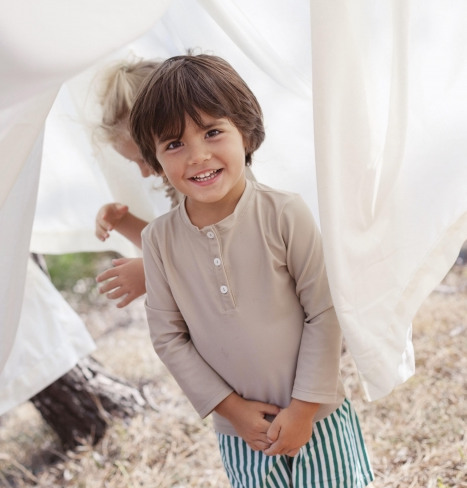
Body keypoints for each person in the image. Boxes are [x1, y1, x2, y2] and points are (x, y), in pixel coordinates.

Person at [129, 54, 374, 487]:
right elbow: (169, 338)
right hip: (241, 433)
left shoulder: (284, 213)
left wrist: (303, 408)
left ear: (246, 132)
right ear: (153, 160)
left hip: (319, 416)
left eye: (212, 132)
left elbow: (324, 311)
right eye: (174, 144)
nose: (198, 156)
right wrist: (232, 410)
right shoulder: (159, 241)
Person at [93, 59, 255, 308]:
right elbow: (175, 245)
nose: (145, 173)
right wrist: (122, 222)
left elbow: (225, 255)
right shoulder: (188, 189)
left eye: (144, 158)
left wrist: (154, 273)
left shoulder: (216, 184)